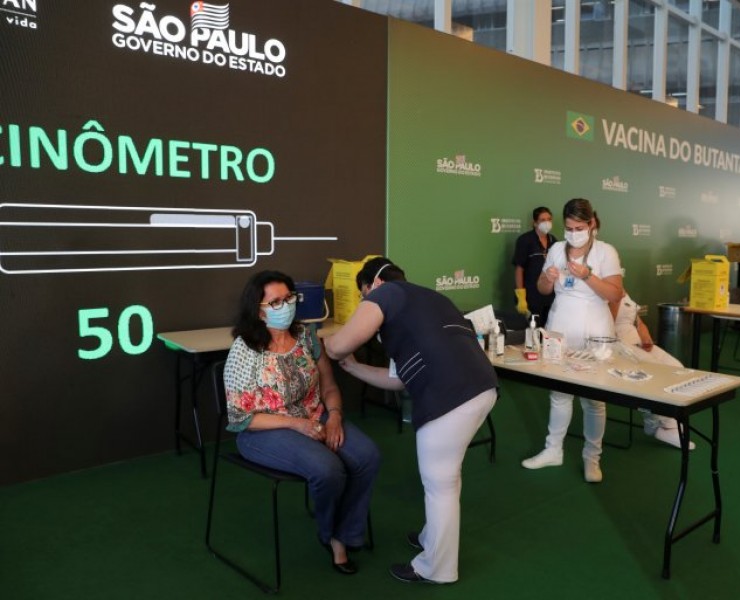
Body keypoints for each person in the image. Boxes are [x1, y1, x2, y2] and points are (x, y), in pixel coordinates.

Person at [324, 258, 497, 585]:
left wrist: (331, 348)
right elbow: (400, 378)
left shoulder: (384, 294)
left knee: (440, 484)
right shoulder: (431, 298)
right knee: (447, 478)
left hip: (448, 396)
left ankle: (436, 568)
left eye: (363, 295)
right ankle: (433, 538)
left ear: (371, 285)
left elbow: (337, 346)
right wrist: (354, 368)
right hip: (481, 388)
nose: (364, 302)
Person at [223, 270, 380, 576]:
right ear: (258, 309)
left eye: (289, 298)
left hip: (315, 415)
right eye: (276, 302)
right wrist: (297, 426)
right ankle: (331, 535)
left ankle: (344, 531)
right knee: (327, 469)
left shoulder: (308, 338)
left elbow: (330, 387)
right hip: (263, 429)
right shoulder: (245, 350)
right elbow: (241, 417)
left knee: (367, 456)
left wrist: (334, 417)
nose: (286, 306)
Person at [520, 198, 624, 483]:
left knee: (594, 400)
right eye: (568, 227)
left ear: (591, 224)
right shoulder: (555, 249)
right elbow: (541, 289)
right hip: (560, 326)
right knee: (559, 393)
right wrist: (548, 277)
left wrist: (588, 275)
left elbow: (615, 294)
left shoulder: (605, 252)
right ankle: (553, 450)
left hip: (595, 330)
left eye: (579, 227)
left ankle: (592, 458)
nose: (573, 232)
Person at [611, 292, 695, 450]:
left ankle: (659, 421)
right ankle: (665, 426)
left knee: (677, 368)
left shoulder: (621, 288)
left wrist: (645, 335)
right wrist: (614, 296)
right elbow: (607, 326)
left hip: (637, 344)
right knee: (658, 373)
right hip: (618, 347)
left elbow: (637, 320)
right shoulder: (603, 288)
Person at [512, 206, 557, 326]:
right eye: (543, 220)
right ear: (535, 223)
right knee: (532, 334)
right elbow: (519, 269)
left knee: (547, 333)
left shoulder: (554, 242)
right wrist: (521, 296)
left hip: (550, 298)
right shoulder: (525, 240)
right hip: (530, 297)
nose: (547, 222)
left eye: (549, 219)